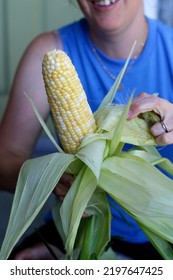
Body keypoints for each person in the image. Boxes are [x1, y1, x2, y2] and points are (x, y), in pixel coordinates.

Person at [0, 0, 173, 260]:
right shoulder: (48, 51)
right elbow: (5, 157)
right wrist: (47, 180)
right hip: (75, 227)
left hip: (161, 233)